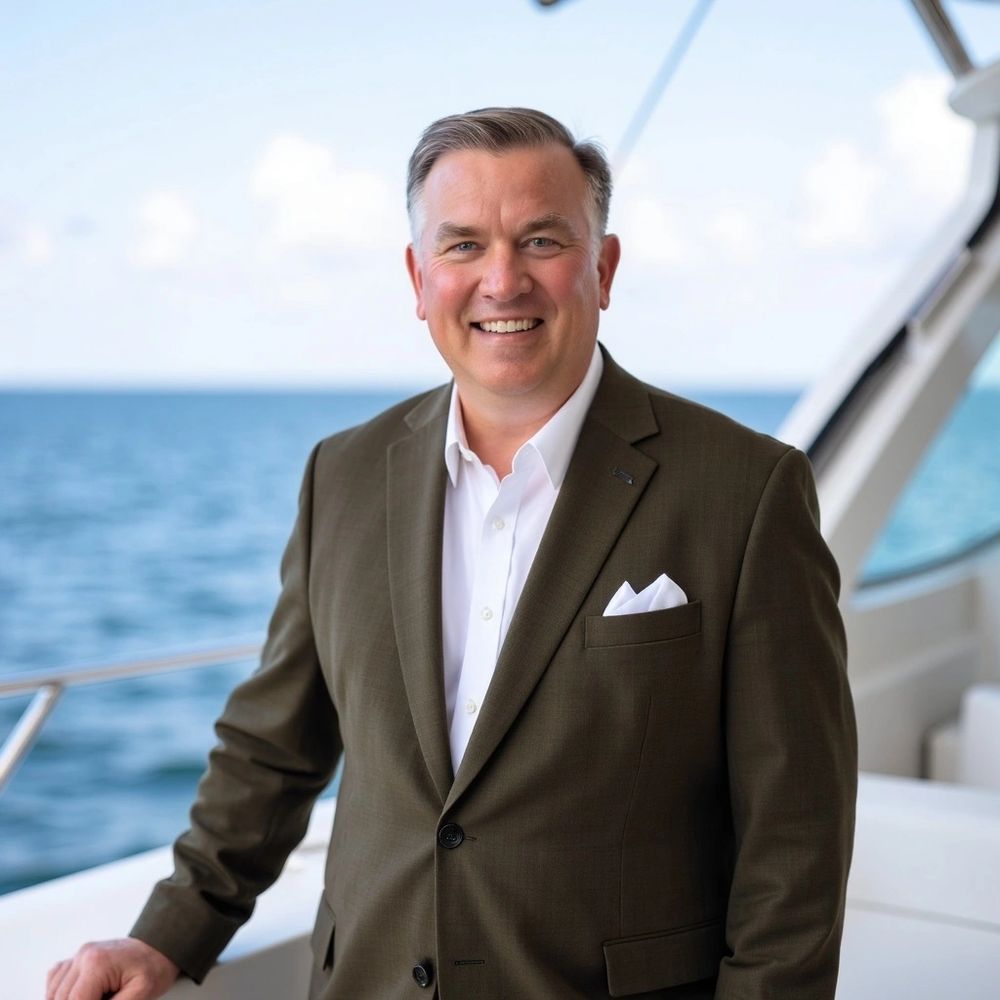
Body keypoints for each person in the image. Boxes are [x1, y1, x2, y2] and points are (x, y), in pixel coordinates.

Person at [47, 107, 857, 1000]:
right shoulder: (343, 476)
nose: (502, 281)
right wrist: (166, 938)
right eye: (463, 246)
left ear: (605, 266)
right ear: (418, 275)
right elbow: (273, 750)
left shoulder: (745, 489)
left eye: (541, 240)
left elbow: (797, 832)